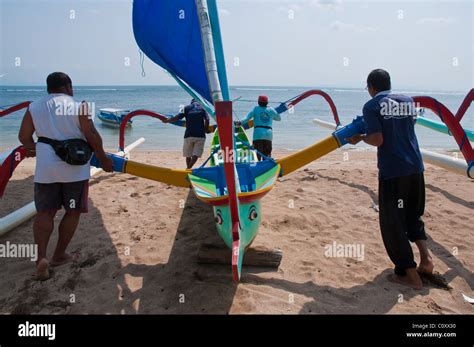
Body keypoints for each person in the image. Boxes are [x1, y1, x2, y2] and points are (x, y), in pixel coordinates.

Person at [18, 72, 113, 281]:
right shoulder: (80, 106)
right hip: (75, 171)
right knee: (72, 211)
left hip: (46, 171)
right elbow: (91, 135)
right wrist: (104, 158)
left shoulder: (34, 107)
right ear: (69, 86)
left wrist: (35, 149)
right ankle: (59, 255)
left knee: (44, 213)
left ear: (48, 88)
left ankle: (41, 258)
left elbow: (23, 136)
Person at [346, 69, 433, 290]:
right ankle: (426, 260)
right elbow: (403, 129)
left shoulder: (372, 106)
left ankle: (411, 277)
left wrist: (359, 138)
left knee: (392, 224)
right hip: (415, 166)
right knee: (413, 215)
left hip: (393, 170)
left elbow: (378, 139)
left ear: (371, 87)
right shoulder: (408, 101)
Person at [163, 99, 210, 169]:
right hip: (200, 135)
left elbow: (177, 117)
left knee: (188, 155)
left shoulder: (186, 108)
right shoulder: (203, 108)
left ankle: (188, 169)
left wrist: (168, 120)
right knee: (196, 154)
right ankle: (188, 169)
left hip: (188, 135)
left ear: (191, 102)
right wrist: (206, 129)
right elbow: (207, 119)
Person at [236, 95, 281, 161]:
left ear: (258, 102)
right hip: (268, 134)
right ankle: (266, 166)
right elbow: (278, 118)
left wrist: (239, 123)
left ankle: (258, 166)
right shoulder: (271, 109)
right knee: (267, 154)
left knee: (258, 154)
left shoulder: (255, 109)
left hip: (258, 134)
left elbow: (246, 118)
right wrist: (271, 116)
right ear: (267, 102)